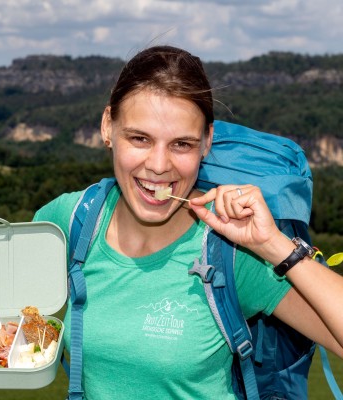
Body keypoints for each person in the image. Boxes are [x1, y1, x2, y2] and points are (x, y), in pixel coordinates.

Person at [33, 45, 343, 399]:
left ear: (206, 142)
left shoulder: (228, 249)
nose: (159, 165)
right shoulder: (70, 221)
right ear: (107, 126)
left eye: (181, 144)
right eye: (140, 138)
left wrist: (273, 245)